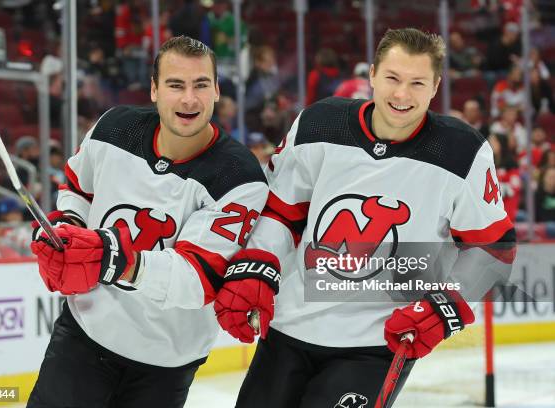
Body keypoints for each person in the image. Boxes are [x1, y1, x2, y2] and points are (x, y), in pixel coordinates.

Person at [213, 28, 516, 407]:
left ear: (436, 86)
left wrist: (447, 305)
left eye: (417, 82)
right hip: (289, 326)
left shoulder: (463, 153)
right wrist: (260, 262)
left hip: (375, 344)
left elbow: (493, 246)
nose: (402, 94)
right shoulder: (317, 124)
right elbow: (283, 211)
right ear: (372, 74)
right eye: (392, 78)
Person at [28, 36, 268, 408]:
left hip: (164, 365)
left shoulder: (240, 176)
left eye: (201, 85)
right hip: (82, 339)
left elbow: (198, 277)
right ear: (154, 89)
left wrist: (114, 258)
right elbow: (78, 188)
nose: (189, 99)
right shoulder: (113, 128)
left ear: (217, 90)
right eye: (175, 85)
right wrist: (64, 232)